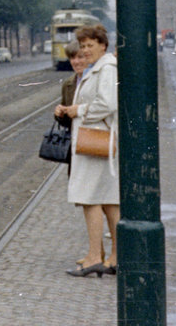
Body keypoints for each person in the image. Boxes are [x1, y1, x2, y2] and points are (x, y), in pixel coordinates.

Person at [54, 24, 118, 277]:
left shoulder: (107, 69)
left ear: (103, 45)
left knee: (89, 199)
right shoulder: (99, 69)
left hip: (96, 141)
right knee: (109, 200)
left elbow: (107, 103)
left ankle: (94, 257)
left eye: (90, 45)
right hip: (93, 141)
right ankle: (114, 256)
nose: (86, 51)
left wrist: (76, 110)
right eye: (82, 46)